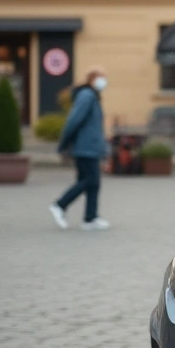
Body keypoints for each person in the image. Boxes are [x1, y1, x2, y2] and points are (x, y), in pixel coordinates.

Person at [50, 67, 110, 231]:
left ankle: (90, 218)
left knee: (93, 183)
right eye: (101, 78)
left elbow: (95, 127)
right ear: (92, 79)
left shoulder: (93, 97)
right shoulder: (87, 95)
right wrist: (63, 144)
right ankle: (60, 205)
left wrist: (103, 150)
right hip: (84, 148)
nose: (104, 81)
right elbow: (73, 120)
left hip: (91, 148)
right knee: (89, 180)